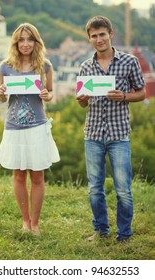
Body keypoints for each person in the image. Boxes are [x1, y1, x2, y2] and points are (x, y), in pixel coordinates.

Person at [76, 15, 145, 242]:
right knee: (95, 188)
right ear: (89, 38)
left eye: (102, 34)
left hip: (118, 134)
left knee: (123, 189)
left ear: (110, 34)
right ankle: (101, 230)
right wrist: (82, 99)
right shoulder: (85, 66)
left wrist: (124, 96)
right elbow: (83, 102)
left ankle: (124, 234)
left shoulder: (129, 62)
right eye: (94, 36)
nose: (99, 39)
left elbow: (142, 92)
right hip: (93, 134)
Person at [0, 23, 60, 236]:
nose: (25, 44)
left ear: (36, 42)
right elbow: (2, 98)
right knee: (19, 176)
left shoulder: (45, 66)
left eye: (29, 39)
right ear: (16, 42)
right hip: (14, 127)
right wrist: (1, 92)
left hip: (37, 126)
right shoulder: (5, 66)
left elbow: (50, 92)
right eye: (21, 40)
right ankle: (25, 221)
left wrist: (46, 95)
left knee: (38, 176)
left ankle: (35, 224)